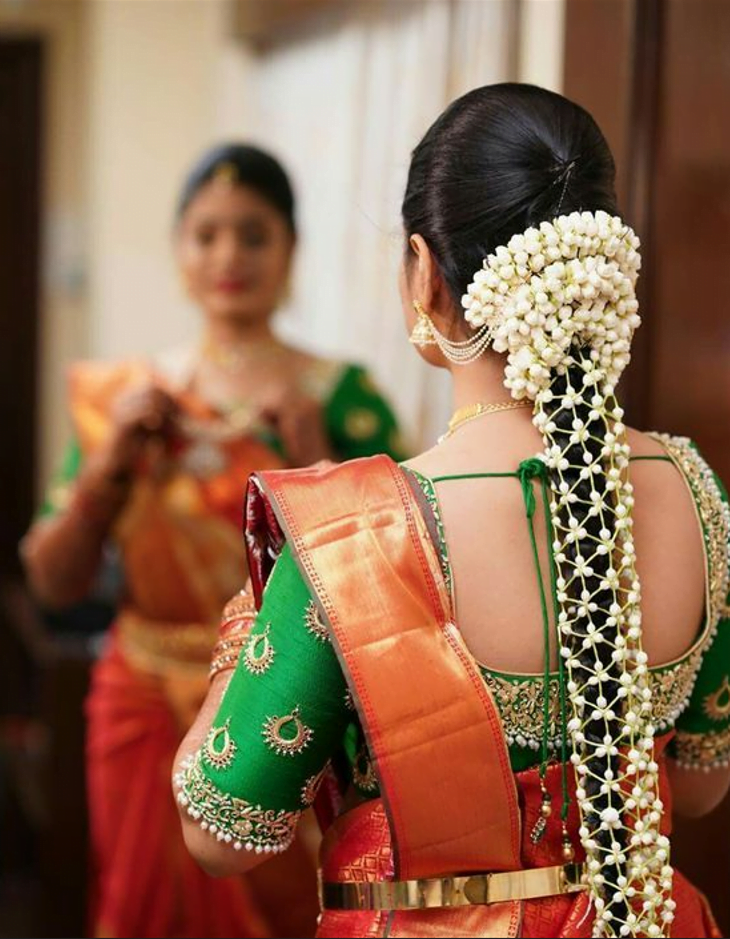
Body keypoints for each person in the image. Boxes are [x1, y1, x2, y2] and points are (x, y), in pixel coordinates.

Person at [173, 87, 730, 939]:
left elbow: (221, 832)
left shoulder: (352, 535)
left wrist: (254, 617)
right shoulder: (694, 489)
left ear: (425, 272)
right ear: (603, 272)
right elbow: (697, 783)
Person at [22, 143, 404, 939]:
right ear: (179, 249)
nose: (229, 255)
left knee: (296, 909)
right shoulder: (124, 400)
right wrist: (112, 465)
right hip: (140, 698)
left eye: (254, 234)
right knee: (140, 907)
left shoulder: (342, 398)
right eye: (207, 234)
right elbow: (51, 580)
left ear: (291, 249)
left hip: (288, 696)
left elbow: (399, 578)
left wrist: (310, 461)